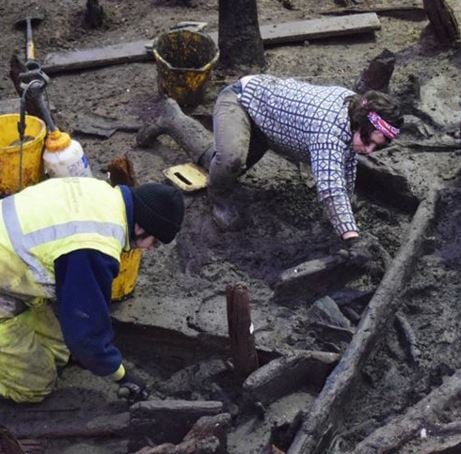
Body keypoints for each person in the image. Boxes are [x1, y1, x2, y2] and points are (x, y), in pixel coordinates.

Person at [0, 177, 185, 403]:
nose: (149, 249)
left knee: (59, 353)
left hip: (12, 271)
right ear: (139, 227)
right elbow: (85, 333)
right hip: (8, 278)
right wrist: (123, 376)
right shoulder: (95, 246)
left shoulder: (100, 192)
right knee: (35, 386)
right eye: (154, 242)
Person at [203, 74, 403, 251]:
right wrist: (351, 237)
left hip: (269, 125)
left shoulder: (354, 113)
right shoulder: (329, 128)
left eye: (376, 147)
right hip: (241, 101)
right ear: (360, 122)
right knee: (232, 159)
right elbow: (331, 188)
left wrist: (346, 205)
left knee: (231, 163)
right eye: (368, 141)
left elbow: (346, 164)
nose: (368, 151)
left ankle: (215, 160)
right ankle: (218, 197)